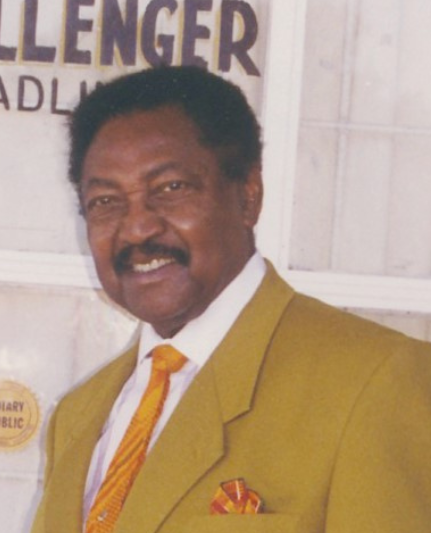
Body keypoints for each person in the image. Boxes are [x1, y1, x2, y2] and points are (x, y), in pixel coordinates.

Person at [31, 66, 431, 533]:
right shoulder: (78, 416)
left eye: (171, 188)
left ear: (248, 197)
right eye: (105, 201)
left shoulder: (375, 382)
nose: (137, 228)